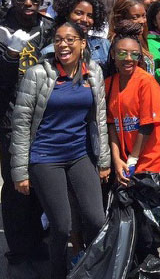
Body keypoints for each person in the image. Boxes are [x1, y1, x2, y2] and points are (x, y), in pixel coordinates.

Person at [11, 21, 110, 278]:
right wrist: (20, 171)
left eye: (69, 39)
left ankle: (89, 268)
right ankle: (58, 272)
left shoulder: (94, 72)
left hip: (80, 154)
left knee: (96, 220)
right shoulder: (38, 74)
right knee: (62, 226)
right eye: (58, 39)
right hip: (45, 157)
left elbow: (99, 119)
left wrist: (104, 162)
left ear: (82, 43)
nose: (63, 44)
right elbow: (21, 123)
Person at [0, 0, 53, 267]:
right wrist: (8, 56)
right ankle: (19, 247)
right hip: (10, 117)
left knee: (39, 180)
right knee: (16, 183)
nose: (29, 3)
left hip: (43, 117)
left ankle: (36, 237)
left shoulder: (48, 27)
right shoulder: (2, 29)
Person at [105, 21, 160, 186]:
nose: (129, 59)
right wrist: (117, 159)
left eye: (135, 54)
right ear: (113, 54)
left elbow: (147, 125)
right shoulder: (109, 84)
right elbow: (111, 125)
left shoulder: (146, 82)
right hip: (128, 159)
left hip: (155, 157)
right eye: (122, 53)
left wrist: (132, 160)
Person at [41, 0, 111, 69]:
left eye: (90, 16)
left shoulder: (104, 45)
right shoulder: (49, 51)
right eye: (79, 13)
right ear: (67, 14)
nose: (84, 19)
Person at [109, 0, 155, 74]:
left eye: (143, 16)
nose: (142, 21)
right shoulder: (119, 43)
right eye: (135, 17)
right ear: (121, 19)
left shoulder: (142, 39)